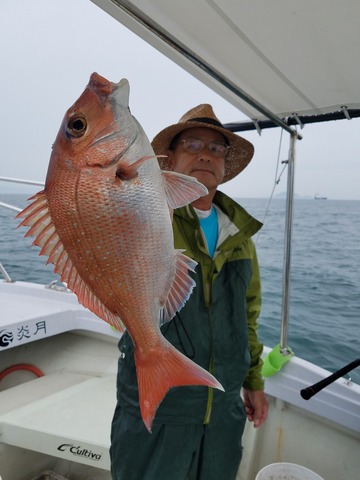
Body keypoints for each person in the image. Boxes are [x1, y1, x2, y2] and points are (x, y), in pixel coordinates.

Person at [110, 104, 268, 480]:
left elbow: (248, 314)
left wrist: (254, 381)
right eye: (192, 144)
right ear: (169, 159)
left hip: (224, 413)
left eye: (216, 149)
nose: (204, 154)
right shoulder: (146, 210)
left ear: (224, 165)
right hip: (159, 406)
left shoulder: (239, 234)